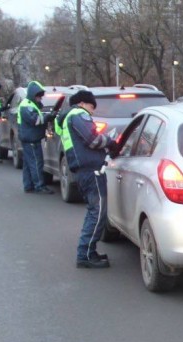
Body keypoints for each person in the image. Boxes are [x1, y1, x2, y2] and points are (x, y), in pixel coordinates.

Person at [60, 90, 117, 269]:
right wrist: (110, 141)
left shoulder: (69, 117)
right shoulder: (78, 114)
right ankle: (85, 254)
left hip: (84, 170)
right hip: (92, 171)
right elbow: (92, 140)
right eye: (92, 107)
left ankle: (89, 251)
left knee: (94, 212)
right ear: (84, 103)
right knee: (97, 213)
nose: (92, 112)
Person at [18, 81, 57, 194]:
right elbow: (35, 120)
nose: (41, 98)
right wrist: (48, 117)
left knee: (28, 163)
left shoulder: (30, 104)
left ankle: (28, 185)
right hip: (31, 139)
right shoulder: (27, 106)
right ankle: (39, 185)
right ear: (33, 95)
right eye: (39, 96)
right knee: (36, 162)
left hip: (29, 137)